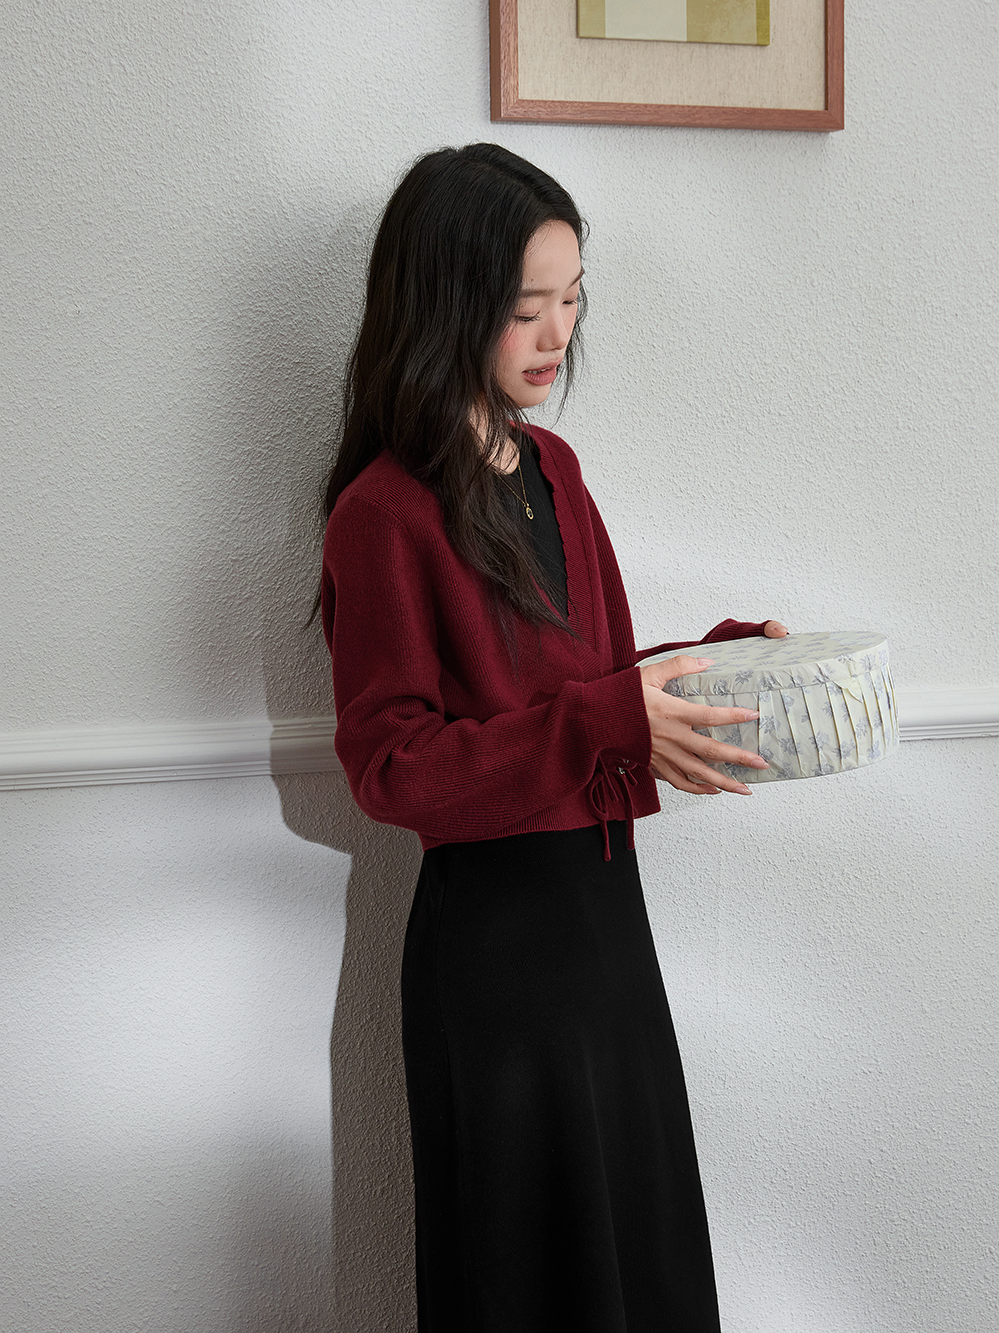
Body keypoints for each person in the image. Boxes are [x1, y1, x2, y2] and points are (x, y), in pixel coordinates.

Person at [320, 142, 787, 1333]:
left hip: (605, 934)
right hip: (496, 963)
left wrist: (717, 662)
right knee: (527, 1284)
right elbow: (392, 770)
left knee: (640, 1264)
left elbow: (586, 686)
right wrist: (609, 716)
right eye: (526, 306)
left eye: (572, 300)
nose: (557, 333)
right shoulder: (382, 512)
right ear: (446, 303)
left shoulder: (554, 470)